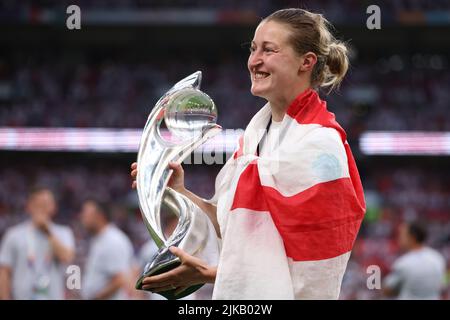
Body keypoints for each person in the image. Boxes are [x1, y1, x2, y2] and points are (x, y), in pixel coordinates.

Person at [130, 8, 366, 299]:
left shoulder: (320, 144)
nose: (254, 61)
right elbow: (231, 225)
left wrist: (210, 274)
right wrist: (179, 191)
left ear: (306, 62)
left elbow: (312, 274)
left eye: (269, 50)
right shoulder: (255, 135)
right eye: (253, 49)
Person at [0, 187, 75, 300]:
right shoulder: (13, 235)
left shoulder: (64, 232)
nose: (42, 208)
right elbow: (4, 271)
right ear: (28, 206)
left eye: (46, 204)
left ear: (54, 207)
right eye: (38, 204)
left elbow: (67, 257)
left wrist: (47, 231)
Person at [80, 198, 134, 300]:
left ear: (99, 216)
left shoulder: (112, 240)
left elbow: (119, 280)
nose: (82, 217)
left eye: (86, 214)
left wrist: (95, 298)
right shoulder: (100, 238)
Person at [383, 221, 446, 300]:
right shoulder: (438, 258)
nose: (399, 238)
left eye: (402, 235)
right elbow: (442, 286)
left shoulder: (404, 263)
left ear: (412, 237)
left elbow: (387, 290)